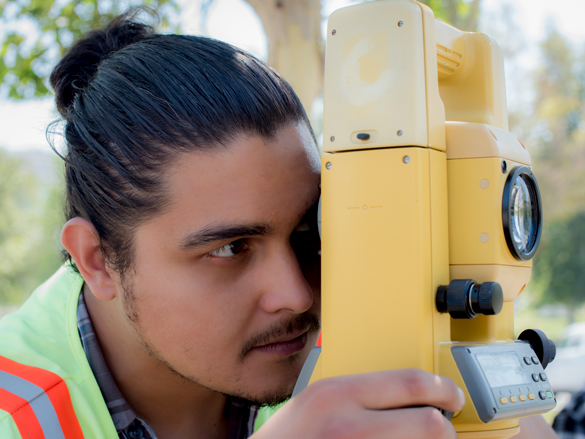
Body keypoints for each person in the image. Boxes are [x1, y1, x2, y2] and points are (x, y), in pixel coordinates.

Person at [0, 10, 557, 439]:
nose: (295, 294)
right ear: (97, 260)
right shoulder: (18, 414)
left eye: (309, 234)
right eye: (231, 248)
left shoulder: (359, 336)